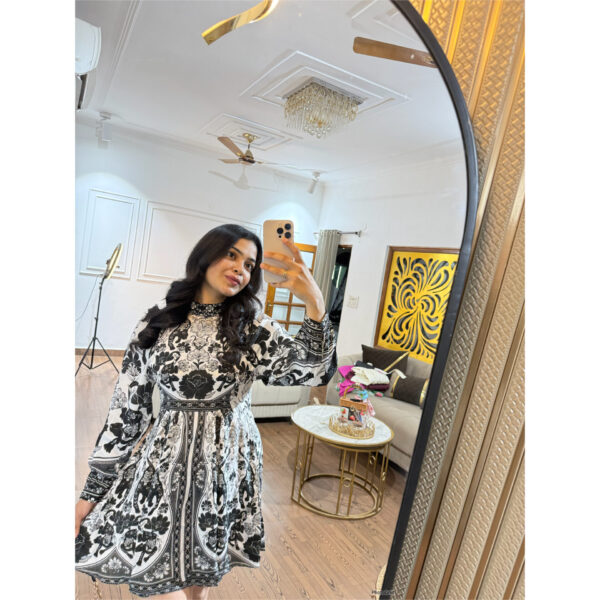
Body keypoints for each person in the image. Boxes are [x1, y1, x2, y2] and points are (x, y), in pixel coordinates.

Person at [75, 223, 337, 599]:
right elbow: (127, 412)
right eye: (231, 254)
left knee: (205, 553)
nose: (240, 269)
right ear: (205, 255)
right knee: (162, 544)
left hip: (227, 459)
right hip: (166, 460)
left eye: (249, 264)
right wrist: (92, 493)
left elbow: (312, 371)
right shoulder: (157, 322)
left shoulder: (254, 328)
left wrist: (315, 303)